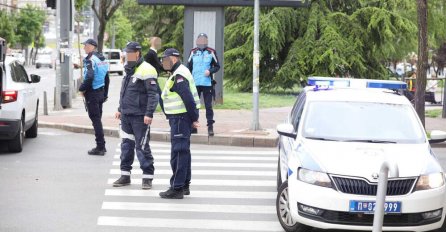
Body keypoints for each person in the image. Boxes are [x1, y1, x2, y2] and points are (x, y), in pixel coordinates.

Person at [113, 42, 159, 190]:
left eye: (129, 53)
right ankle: (125, 175)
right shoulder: (129, 68)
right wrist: (120, 108)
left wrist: (149, 113)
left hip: (140, 116)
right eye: (126, 53)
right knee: (126, 145)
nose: (126, 55)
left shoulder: (147, 69)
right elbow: (125, 91)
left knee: (142, 146)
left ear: (137, 53)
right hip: (126, 115)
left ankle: (147, 177)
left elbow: (153, 94)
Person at [159, 48, 201, 199]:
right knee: (184, 152)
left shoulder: (179, 75)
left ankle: (176, 188)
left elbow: (188, 98)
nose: (164, 62)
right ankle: (184, 185)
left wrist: (194, 118)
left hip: (180, 118)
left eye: (166, 59)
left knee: (178, 152)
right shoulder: (178, 72)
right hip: (179, 118)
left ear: (174, 59)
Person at [79, 39, 110, 156]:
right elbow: (107, 78)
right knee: (98, 119)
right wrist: (105, 94)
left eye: (86, 45)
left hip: (92, 94)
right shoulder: (102, 59)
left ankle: (100, 147)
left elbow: (90, 76)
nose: (84, 48)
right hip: (100, 92)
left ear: (93, 46)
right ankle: (102, 145)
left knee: (95, 120)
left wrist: (81, 88)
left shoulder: (90, 60)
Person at [187, 33, 220, 136]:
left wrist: (210, 71)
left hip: (207, 84)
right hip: (195, 83)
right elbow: (188, 67)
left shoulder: (211, 52)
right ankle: (194, 127)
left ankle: (210, 127)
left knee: (208, 106)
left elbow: (217, 66)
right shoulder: (193, 52)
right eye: (200, 39)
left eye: (203, 39)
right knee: (194, 106)